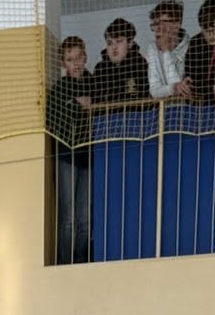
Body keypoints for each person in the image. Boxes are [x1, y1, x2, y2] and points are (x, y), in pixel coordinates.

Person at [48, 37, 94, 265]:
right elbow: (52, 122)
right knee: (68, 216)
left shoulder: (94, 82)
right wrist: (77, 105)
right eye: (69, 59)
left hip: (89, 156)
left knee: (84, 216)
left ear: (85, 57)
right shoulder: (58, 89)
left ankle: (82, 261)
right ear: (63, 63)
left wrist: (89, 105)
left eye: (78, 58)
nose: (75, 63)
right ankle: (65, 263)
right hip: (66, 155)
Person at [90, 18, 153, 105]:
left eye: (118, 41)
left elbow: (145, 97)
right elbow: (95, 100)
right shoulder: (100, 69)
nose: (114, 47)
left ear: (130, 43)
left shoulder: (140, 64)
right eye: (109, 43)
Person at [147, 0, 194, 100]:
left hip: (186, 106)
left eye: (162, 23)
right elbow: (154, 90)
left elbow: (180, 91)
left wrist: (165, 52)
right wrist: (174, 88)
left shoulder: (191, 46)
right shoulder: (152, 48)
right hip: (162, 108)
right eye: (155, 24)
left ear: (176, 25)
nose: (157, 29)